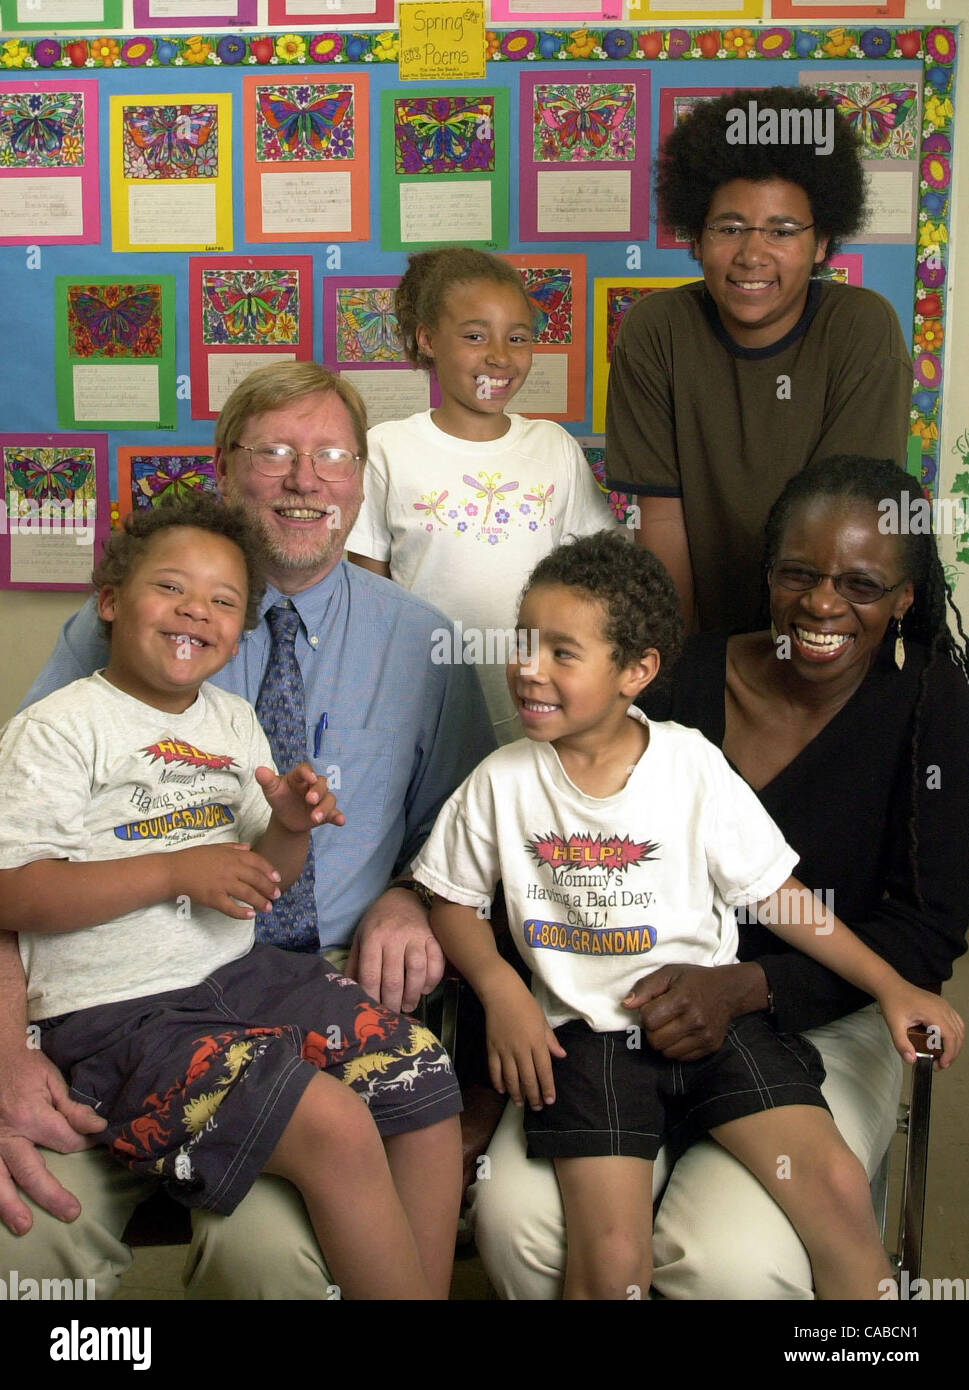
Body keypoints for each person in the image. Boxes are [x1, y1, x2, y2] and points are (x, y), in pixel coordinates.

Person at [0, 361, 494, 1298]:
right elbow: (13, 867)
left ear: (360, 481)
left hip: (295, 985)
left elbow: (459, 850)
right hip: (104, 1008)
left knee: (274, 1251)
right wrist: (1, 1057)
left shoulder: (425, 644)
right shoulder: (99, 661)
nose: (305, 479)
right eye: (273, 452)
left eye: (331, 456)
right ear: (225, 470)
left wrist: (406, 896)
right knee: (25, 1249)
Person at [468, 458, 969, 1299]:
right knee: (520, 1219)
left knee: (725, 1259)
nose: (821, 604)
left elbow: (918, 928)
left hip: (818, 1015)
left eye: (860, 583)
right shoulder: (675, 685)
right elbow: (529, 854)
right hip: (622, 1011)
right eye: (799, 574)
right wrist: (477, 974)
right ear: (768, 575)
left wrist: (747, 987)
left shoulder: (929, 701)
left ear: (905, 597)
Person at [605, 86, 913, 633]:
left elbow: (841, 525)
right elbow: (662, 518)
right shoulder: (656, 330)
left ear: (823, 244)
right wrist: (684, 661)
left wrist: (788, 659)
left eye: (783, 231)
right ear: (695, 238)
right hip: (698, 626)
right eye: (728, 228)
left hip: (825, 623)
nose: (752, 254)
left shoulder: (861, 328)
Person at [348, 246, 618, 744]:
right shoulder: (387, 449)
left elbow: (598, 578)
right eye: (475, 336)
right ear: (427, 339)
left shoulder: (552, 447)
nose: (499, 356)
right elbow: (369, 602)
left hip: (540, 699)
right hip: (423, 698)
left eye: (518, 338)